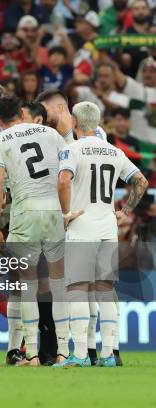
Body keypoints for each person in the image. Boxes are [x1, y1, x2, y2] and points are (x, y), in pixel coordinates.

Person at [56, 101, 148, 367]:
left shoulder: (71, 149)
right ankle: (108, 354)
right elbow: (140, 181)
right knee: (105, 290)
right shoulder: (114, 151)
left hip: (82, 225)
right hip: (108, 227)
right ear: (97, 122)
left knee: (77, 289)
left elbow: (63, 180)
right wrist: (124, 211)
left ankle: (81, 354)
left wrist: (65, 213)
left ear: (74, 122)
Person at [0, 95, 69, 366]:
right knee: (58, 285)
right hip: (54, 211)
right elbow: (66, 175)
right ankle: (64, 352)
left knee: (26, 284)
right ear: (22, 113)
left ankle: (31, 353)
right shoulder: (51, 133)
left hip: (25, 213)